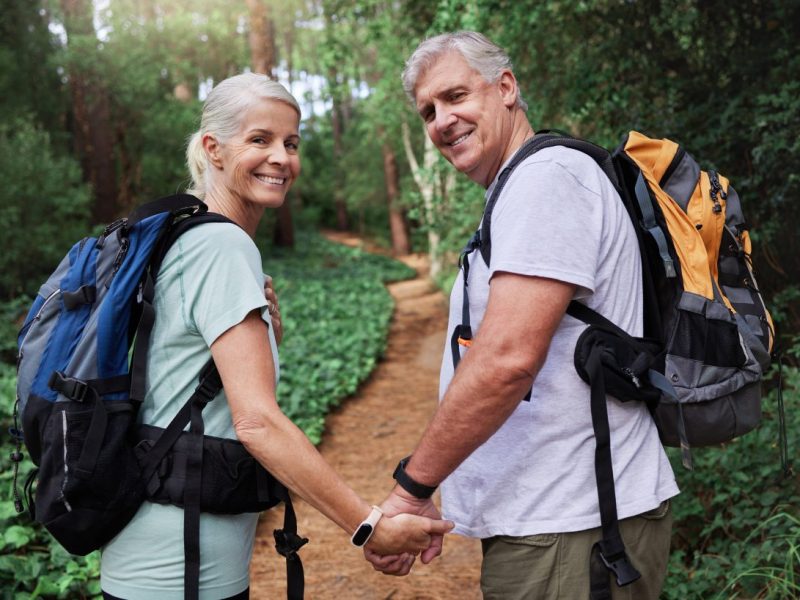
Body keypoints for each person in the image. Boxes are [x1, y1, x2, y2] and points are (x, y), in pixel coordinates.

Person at [99, 73, 453, 600]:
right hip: (181, 565)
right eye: (259, 140)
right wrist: (369, 524)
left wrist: (266, 342)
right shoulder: (221, 247)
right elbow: (256, 422)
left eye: (291, 143)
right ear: (214, 150)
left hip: (158, 547)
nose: (281, 158)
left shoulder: (183, 234)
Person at [366, 31, 680, 599]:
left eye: (456, 95)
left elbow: (506, 360)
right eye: (428, 111)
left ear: (505, 87)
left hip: (574, 526)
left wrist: (413, 487)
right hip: (558, 521)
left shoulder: (544, 182)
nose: (441, 121)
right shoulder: (523, 186)